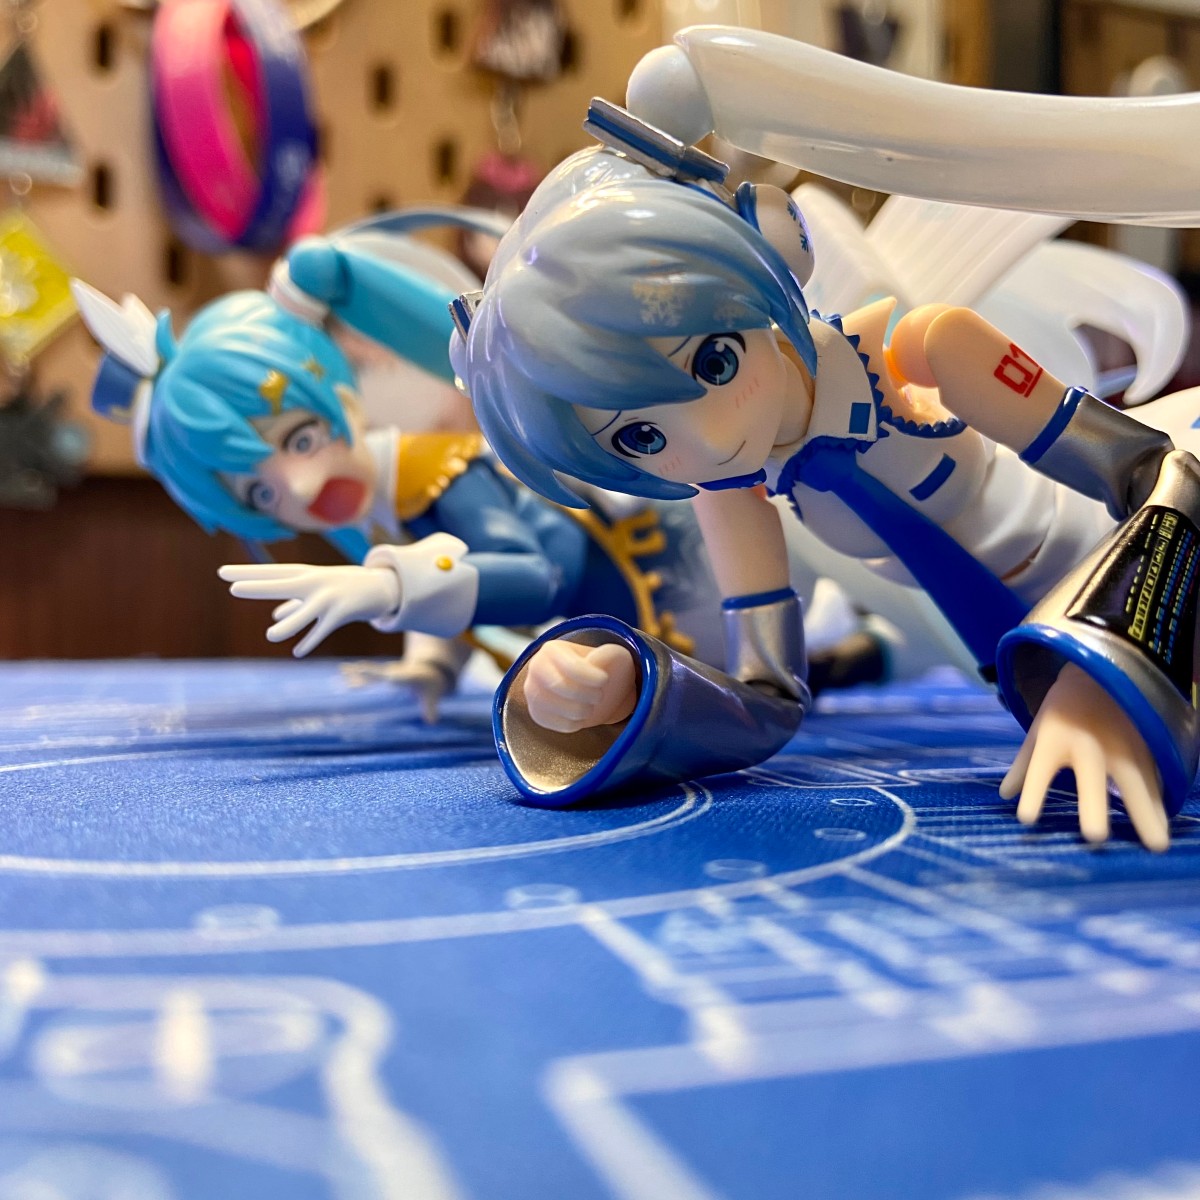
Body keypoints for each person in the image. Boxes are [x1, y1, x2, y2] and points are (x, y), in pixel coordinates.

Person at [450, 95, 1200, 848]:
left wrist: (1106, 660)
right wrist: (631, 691)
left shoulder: (925, 352)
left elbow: (1155, 471)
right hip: (1025, 654)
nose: (710, 438)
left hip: (1135, 566)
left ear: (770, 251)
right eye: (641, 436)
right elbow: (770, 696)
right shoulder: (731, 489)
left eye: (715, 362)